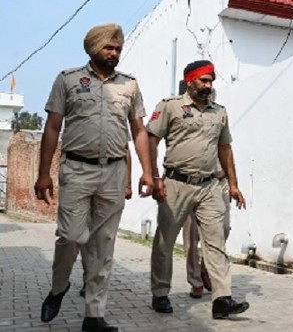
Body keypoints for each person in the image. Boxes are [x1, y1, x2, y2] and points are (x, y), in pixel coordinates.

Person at [34, 23, 154, 332]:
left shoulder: (129, 85)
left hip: (113, 172)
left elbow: (139, 131)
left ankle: (94, 315)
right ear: (93, 48)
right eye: (108, 48)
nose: (114, 53)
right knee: (71, 237)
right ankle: (59, 287)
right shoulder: (68, 79)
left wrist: (147, 172)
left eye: (118, 49)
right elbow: (52, 127)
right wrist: (43, 174)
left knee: (103, 246)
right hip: (76, 170)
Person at [147, 59, 249, 320]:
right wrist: (154, 177)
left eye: (211, 81)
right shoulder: (170, 106)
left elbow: (225, 149)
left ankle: (222, 299)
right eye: (203, 80)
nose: (208, 85)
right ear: (190, 81)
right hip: (176, 184)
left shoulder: (219, 112)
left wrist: (233, 185)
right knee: (165, 241)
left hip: (209, 186)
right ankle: (160, 293)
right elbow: (151, 140)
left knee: (216, 241)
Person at [80, 149, 134, 298]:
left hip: (110, 184)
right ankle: (88, 276)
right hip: (84, 181)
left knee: (104, 237)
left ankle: (96, 283)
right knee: (85, 236)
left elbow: (126, 152)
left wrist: (128, 184)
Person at [182, 167, 231, 298]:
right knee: (191, 235)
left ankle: (205, 270)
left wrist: (233, 183)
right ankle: (195, 280)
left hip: (220, 181)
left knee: (224, 230)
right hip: (194, 183)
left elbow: (228, 157)